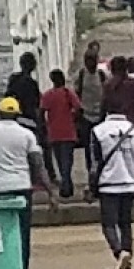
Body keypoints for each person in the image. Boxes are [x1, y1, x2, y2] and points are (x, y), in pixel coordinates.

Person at [0, 97, 59, 269]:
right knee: (23, 230)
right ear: (17, 114)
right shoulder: (27, 135)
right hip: (22, 187)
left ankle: (6, 268)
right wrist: (50, 192)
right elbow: (38, 165)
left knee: (3, 231)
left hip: (0, 188)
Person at [92, 93, 134, 269]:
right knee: (126, 224)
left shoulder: (98, 131)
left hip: (108, 184)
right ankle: (128, 265)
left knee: (109, 224)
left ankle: (119, 253)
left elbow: (95, 163)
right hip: (129, 183)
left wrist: (91, 186)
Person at [5, 52, 57, 184]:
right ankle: (48, 176)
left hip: (14, 119)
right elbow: (35, 105)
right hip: (29, 120)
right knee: (41, 148)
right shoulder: (31, 83)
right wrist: (41, 123)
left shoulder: (13, 80)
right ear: (33, 66)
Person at [39, 69, 81, 198]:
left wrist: (44, 127)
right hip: (68, 132)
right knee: (67, 161)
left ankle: (66, 185)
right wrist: (74, 119)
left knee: (60, 161)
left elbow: (41, 112)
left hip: (54, 133)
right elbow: (78, 108)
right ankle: (67, 185)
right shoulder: (68, 93)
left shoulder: (48, 95)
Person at [76, 51, 107, 175]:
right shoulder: (81, 75)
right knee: (87, 146)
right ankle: (91, 171)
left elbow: (106, 93)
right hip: (86, 115)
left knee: (101, 144)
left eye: (92, 59)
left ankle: (101, 169)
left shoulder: (101, 75)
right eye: (87, 60)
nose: (90, 63)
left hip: (100, 115)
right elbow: (77, 93)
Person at [101, 55, 134, 126]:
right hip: (130, 123)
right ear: (126, 69)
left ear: (112, 70)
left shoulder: (107, 85)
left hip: (112, 123)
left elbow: (103, 107)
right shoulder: (133, 83)